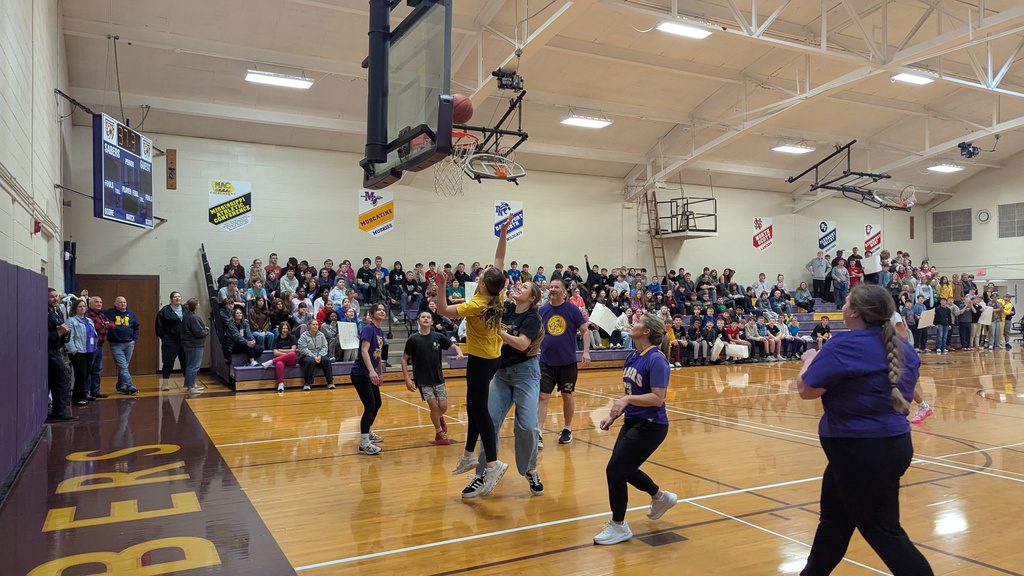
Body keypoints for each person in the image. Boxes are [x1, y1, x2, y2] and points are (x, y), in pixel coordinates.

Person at [796, 284, 933, 575]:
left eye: (846, 303)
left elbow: (807, 390)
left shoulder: (845, 345)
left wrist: (808, 361)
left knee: (884, 532)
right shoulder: (902, 346)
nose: (843, 307)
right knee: (834, 523)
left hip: (859, 451)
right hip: (886, 446)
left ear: (855, 311)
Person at [438, 215, 514, 496]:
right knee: (473, 407)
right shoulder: (498, 294)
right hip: (492, 357)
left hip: (481, 362)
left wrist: (442, 285)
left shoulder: (476, 304)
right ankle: (469, 454)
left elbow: (443, 310)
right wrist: (503, 232)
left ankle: (492, 463)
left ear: (482, 284)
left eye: (480, 276)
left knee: (480, 411)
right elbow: (499, 260)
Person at [594, 312, 677, 545]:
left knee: (616, 470)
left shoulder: (656, 359)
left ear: (647, 331)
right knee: (624, 468)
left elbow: (657, 398)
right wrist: (617, 412)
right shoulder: (633, 356)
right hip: (633, 421)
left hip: (652, 426)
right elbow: (633, 392)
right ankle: (660, 497)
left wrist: (627, 401)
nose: (633, 323)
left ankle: (619, 526)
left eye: (637, 322)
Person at [470, 281, 545, 498]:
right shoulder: (507, 309)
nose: (519, 287)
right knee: (489, 422)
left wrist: (498, 332)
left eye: (524, 288)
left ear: (532, 298)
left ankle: (530, 470)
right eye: (519, 286)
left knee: (528, 427)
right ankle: (483, 473)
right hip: (501, 373)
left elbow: (522, 344)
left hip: (526, 373)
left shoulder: (532, 318)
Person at [536, 277, 592, 449]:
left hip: (567, 362)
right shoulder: (543, 311)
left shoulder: (572, 310)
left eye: (556, 287)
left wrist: (586, 352)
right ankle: (538, 432)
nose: (553, 289)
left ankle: (567, 429)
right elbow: (535, 333)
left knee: (567, 395)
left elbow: (585, 331)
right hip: (546, 361)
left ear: (564, 291)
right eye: (551, 286)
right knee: (543, 396)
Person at [403, 311, 464, 447]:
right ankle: (439, 432)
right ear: (418, 321)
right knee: (434, 406)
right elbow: (404, 359)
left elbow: (453, 346)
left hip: (438, 378)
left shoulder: (437, 336)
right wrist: (407, 378)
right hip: (423, 380)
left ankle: (439, 418)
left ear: (431, 322)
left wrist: (459, 352)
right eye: (423, 317)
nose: (426, 319)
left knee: (442, 407)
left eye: (428, 317)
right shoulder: (413, 340)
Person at [352, 303, 387, 453]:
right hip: (360, 373)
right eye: (379, 309)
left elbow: (377, 354)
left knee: (377, 403)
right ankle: (364, 443)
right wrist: (371, 371)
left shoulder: (379, 332)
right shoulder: (368, 329)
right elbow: (364, 351)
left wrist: (379, 372)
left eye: (383, 310)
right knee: (370, 405)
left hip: (371, 372)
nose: (382, 311)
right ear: (372, 314)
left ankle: (368, 432)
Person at [47, 288, 76, 422]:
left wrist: (64, 334)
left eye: (56, 296)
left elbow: (64, 330)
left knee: (63, 379)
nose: (55, 299)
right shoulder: (45, 314)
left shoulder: (56, 311)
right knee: (62, 379)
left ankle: (59, 411)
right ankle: (59, 412)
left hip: (57, 350)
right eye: (51, 297)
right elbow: (44, 336)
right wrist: (58, 333)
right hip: (50, 353)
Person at [105, 296, 140, 395]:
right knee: (123, 366)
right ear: (115, 303)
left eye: (124, 302)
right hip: (116, 344)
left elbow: (136, 327)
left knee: (124, 366)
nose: (123, 304)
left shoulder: (131, 314)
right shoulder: (109, 313)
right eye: (120, 302)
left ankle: (120, 385)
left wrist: (134, 339)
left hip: (129, 344)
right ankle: (130, 386)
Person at [66, 298, 97, 406]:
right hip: (78, 351)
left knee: (86, 374)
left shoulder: (89, 320)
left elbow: (93, 335)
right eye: (80, 306)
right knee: (80, 374)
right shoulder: (72, 321)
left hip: (89, 350)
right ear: (75, 308)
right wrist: (73, 350)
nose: (83, 308)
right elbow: (69, 337)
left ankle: (83, 395)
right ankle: (77, 397)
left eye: (84, 306)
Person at [156, 291, 188, 391]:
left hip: (184, 340)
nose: (177, 298)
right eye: (175, 297)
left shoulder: (185, 309)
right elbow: (159, 326)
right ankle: (165, 384)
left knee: (186, 362)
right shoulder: (164, 311)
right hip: (170, 340)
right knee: (168, 362)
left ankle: (188, 384)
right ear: (171, 299)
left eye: (179, 296)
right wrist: (164, 337)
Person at [85, 296, 113, 400]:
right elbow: (96, 328)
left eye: (100, 302)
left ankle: (95, 391)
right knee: (89, 370)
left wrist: (105, 326)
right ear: (90, 304)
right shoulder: (88, 315)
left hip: (100, 345)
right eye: (96, 302)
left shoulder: (101, 315)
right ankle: (86, 392)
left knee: (97, 370)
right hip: (91, 347)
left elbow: (112, 325)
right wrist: (105, 326)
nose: (99, 304)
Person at [180, 298, 209, 394]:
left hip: (189, 344)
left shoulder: (188, 316)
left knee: (190, 365)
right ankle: (190, 387)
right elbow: (199, 332)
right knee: (193, 366)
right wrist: (206, 330)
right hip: (194, 345)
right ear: (196, 306)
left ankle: (191, 384)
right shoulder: (194, 318)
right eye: (198, 303)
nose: (199, 305)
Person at [297, 318, 333, 391]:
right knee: (310, 361)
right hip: (305, 356)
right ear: (309, 326)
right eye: (313, 324)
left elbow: (325, 347)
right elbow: (303, 349)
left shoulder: (321, 335)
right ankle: (307, 383)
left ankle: (330, 382)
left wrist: (319, 356)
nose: (315, 326)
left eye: (317, 324)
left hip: (319, 356)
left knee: (326, 360)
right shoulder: (304, 336)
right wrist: (314, 357)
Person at [263, 322, 298, 393]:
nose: (285, 330)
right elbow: (275, 352)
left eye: (286, 328)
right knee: (279, 363)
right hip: (281, 360)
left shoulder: (292, 337)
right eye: (283, 328)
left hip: (291, 360)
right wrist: (286, 354)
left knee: (292, 354)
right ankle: (281, 384)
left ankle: (272, 361)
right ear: (280, 329)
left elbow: (293, 350)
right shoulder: (276, 339)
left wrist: (281, 350)